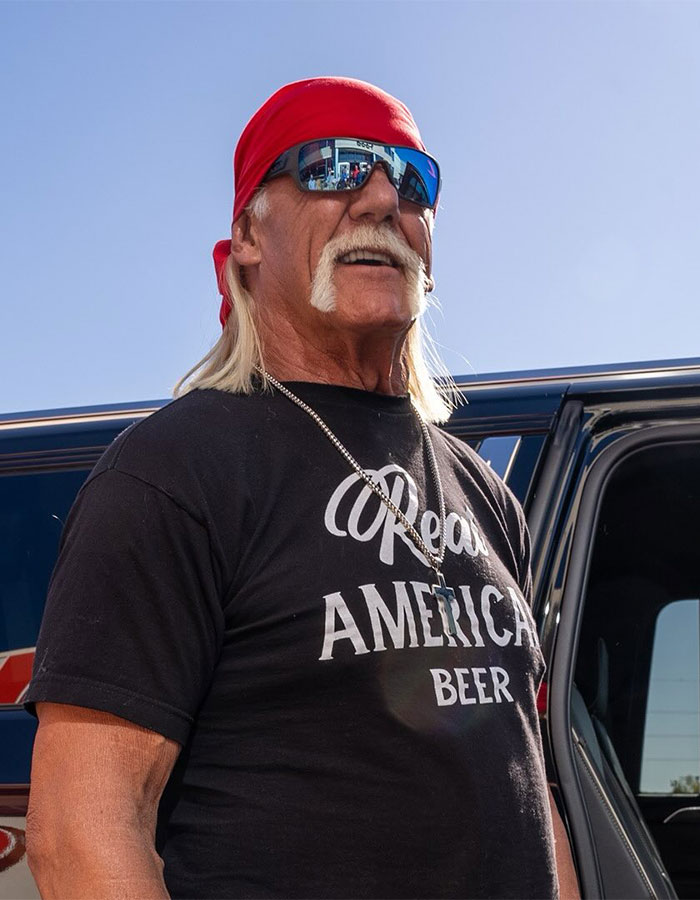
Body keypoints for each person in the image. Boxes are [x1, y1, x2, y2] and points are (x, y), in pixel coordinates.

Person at [25, 76, 578, 899]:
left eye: (412, 179)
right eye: (333, 166)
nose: (383, 199)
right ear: (248, 235)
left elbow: (524, 788)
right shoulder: (172, 472)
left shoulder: (484, 493)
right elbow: (83, 832)